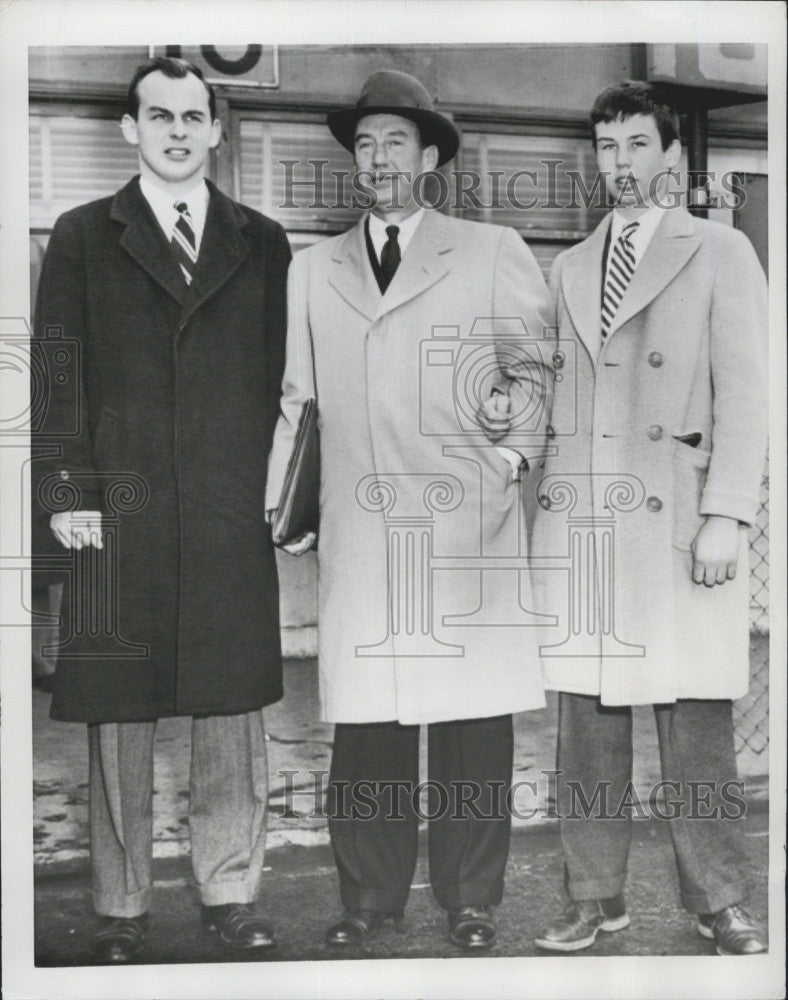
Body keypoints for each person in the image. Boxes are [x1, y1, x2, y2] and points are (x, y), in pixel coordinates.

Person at [266, 69, 554, 950]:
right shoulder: (313, 270)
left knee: (472, 721)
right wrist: (287, 502)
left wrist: (505, 461)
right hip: (361, 528)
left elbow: (534, 367)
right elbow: (296, 398)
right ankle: (369, 900)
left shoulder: (491, 248)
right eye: (364, 144)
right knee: (370, 728)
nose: (377, 158)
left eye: (395, 141)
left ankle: (473, 898)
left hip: (470, 528)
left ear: (429, 158)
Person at [492, 80, 767, 956]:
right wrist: (510, 458)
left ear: (673, 154)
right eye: (607, 149)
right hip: (586, 528)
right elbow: (548, 394)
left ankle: (718, 900)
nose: (620, 166)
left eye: (637, 146)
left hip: (677, 522)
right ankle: (593, 896)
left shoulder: (721, 251)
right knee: (587, 732)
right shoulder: (571, 266)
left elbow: (749, 397)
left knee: (695, 729)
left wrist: (727, 513)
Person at [33, 57, 290, 962]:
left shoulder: (262, 241)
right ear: (129, 130)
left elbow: (277, 384)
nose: (178, 130)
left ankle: (231, 892)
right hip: (120, 506)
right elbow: (56, 371)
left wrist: (272, 493)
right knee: (121, 714)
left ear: (218, 129)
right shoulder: (79, 236)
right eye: (159, 115)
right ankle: (120, 906)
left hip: (224, 508)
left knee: (230, 712)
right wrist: (67, 490)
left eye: (194, 115)